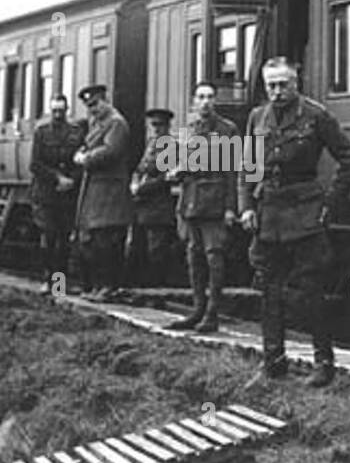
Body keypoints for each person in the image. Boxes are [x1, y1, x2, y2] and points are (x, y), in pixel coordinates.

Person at [238, 58, 350, 388]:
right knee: (269, 290)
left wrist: (329, 206)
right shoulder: (257, 117)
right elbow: (247, 167)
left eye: (283, 84)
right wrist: (247, 206)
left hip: (305, 215)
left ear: (296, 82)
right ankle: (273, 362)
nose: (277, 91)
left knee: (311, 291)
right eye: (271, 85)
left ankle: (323, 364)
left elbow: (349, 160)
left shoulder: (316, 115)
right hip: (269, 215)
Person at [166, 82, 239, 333]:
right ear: (194, 101)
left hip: (215, 202)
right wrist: (176, 172)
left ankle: (212, 312)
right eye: (201, 97)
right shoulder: (188, 131)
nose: (205, 101)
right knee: (194, 257)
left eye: (209, 97)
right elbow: (183, 164)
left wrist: (231, 207)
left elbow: (233, 172)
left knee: (214, 257)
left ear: (215, 100)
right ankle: (197, 309)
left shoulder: (228, 130)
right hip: (191, 201)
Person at [73, 83, 133, 301]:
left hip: (110, 192)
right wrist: (83, 151)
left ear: (105, 100)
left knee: (107, 241)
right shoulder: (98, 122)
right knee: (97, 241)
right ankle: (99, 287)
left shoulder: (115, 123)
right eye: (89, 105)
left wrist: (86, 158)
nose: (93, 109)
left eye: (96, 104)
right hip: (98, 191)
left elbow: (111, 151)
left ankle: (108, 287)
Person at [29, 93, 86, 293]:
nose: (58, 115)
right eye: (54, 111)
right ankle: (47, 280)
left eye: (61, 111)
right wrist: (57, 178)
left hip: (66, 196)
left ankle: (59, 285)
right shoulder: (41, 133)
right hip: (46, 195)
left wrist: (72, 180)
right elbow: (35, 164)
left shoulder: (76, 133)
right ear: (50, 111)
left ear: (66, 110)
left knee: (63, 242)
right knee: (48, 239)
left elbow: (81, 161)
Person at [128, 108, 180, 288]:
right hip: (143, 206)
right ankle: (143, 289)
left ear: (167, 126)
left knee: (156, 252)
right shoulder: (151, 144)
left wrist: (140, 188)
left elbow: (165, 178)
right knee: (139, 249)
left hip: (159, 207)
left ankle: (157, 291)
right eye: (154, 125)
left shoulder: (171, 146)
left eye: (160, 125)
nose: (157, 129)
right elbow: (139, 169)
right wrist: (134, 182)